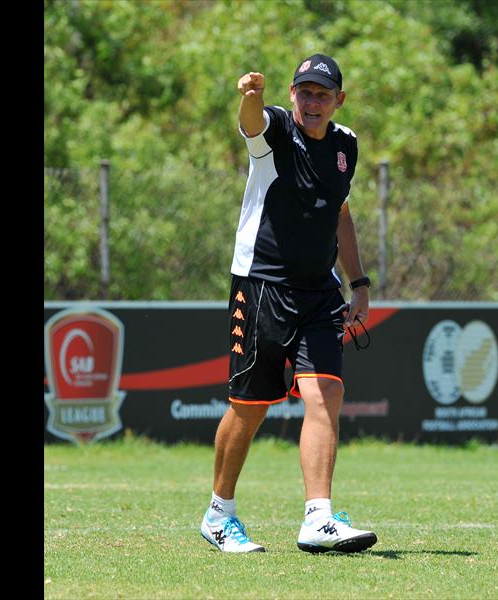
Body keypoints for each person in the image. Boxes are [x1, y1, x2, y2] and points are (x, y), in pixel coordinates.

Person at [200, 54, 376, 554]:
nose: (312, 101)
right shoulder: (276, 128)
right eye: (305, 91)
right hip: (262, 285)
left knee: (325, 393)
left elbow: (341, 213)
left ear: (339, 100)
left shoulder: (346, 145)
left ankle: (318, 518)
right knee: (250, 406)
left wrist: (359, 282)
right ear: (292, 94)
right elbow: (251, 125)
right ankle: (218, 514)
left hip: (320, 291)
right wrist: (250, 97)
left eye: (323, 94)